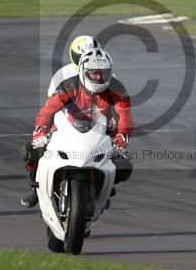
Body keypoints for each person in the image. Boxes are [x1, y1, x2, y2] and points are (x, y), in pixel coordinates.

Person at [21, 48, 133, 208]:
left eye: (104, 73)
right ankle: (34, 187)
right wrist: (41, 129)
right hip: (66, 131)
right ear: (83, 71)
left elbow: (125, 114)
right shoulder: (68, 85)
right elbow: (49, 109)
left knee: (124, 166)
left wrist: (122, 135)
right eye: (94, 73)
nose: (99, 77)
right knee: (30, 152)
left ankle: (104, 189)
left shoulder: (117, 88)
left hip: (101, 135)